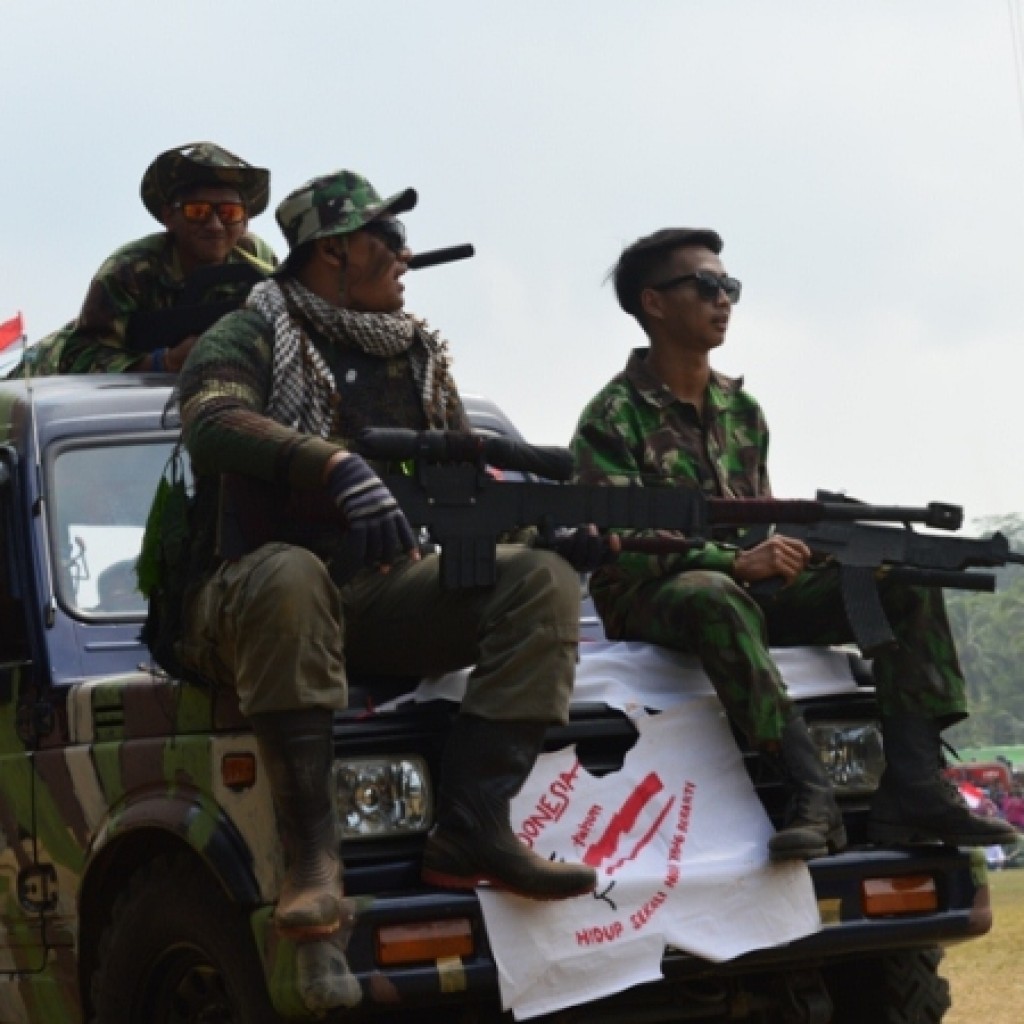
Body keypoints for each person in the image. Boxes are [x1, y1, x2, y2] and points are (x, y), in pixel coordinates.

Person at [173, 168, 600, 945]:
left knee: (541, 580)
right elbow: (212, 420)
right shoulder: (251, 330)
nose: (406, 255)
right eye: (390, 238)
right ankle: (313, 861)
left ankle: (474, 825)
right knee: (290, 573)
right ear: (334, 250)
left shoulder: (416, 358)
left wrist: (547, 540)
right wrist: (332, 466)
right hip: (247, 597)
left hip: (374, 593)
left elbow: (458, 500)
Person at [571, 227, 1019, 859]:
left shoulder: (742, 409)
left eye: (730, 287)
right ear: (654, 302)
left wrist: (819, 548)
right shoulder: (611, 417)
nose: (723, 299)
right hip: (652, 594)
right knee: (712, 594)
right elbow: (621, 542)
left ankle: (915, 785)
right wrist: (735, 561)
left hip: (748, 584)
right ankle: (810, 792)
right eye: (707, 286)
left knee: (904, 577)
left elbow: (763, 519)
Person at [10, 141, 276, 377]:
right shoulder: (131, 268)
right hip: (44, 376)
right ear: (168, 217)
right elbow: (79, 356)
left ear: (245, 222)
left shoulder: (258, 264)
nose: (215, 225)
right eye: (198, 211)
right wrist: (166, 362)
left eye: (229, 213)